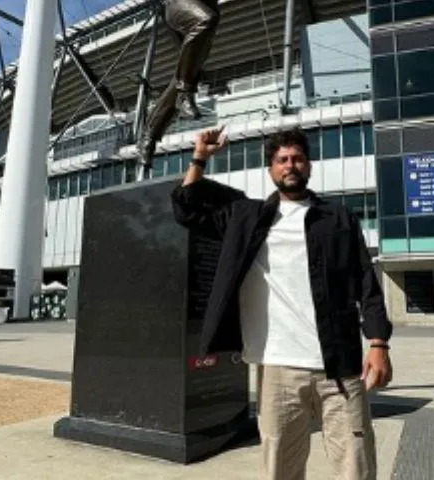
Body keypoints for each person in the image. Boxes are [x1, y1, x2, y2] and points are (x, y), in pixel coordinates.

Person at [171, 127, 394, 480]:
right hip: (276, 368)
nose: (290, 165)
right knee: (280, 471)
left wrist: (379, 342)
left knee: (357, 467)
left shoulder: (338, 218)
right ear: (271, 169)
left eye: (297, 158)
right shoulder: (246, 217)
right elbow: (186, 209)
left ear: (309, 166)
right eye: (282, 160)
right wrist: (200, 156)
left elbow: (366, 283)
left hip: (340, 367)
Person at [133, 0, 220, 168]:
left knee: (186, 73)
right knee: (205, 21)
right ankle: (184, 92)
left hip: (207, 7)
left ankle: (148, 136)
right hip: (181, 5)